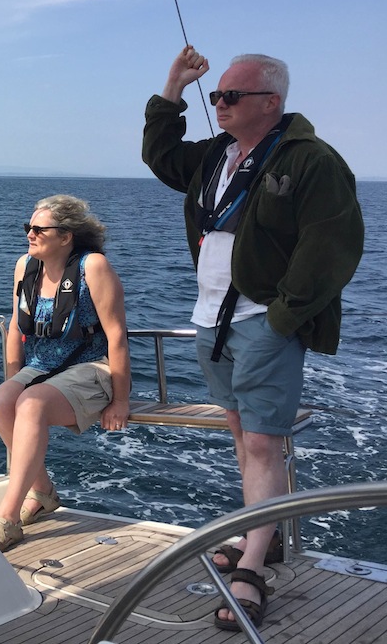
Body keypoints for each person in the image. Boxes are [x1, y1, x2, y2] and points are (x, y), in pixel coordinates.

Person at [143, 47, 364, 631]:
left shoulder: (311, 161)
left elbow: (332, 246)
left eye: (228, 96)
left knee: (263, 446)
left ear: (270, 103)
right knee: (244, 437)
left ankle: (252, 567)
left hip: (261, 322)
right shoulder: (217, 154)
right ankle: (259, 535)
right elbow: (161, 155)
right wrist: (173, 85)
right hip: (209, 320)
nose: (218, 104)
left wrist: (282, 317)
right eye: (214, 95)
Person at [0, 195, 131, 552]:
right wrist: (12, 378)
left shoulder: (92, 267)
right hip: (43, 368)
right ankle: (43, 491)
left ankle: (8, 516)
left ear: (65, 237)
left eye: (39, 229)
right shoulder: (25, 267)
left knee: (31, 404)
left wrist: (120, 400)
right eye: (28, 228)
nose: (30, 235)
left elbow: (116, 335)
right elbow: (18, 330)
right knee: (3, 401)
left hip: (91, 368)